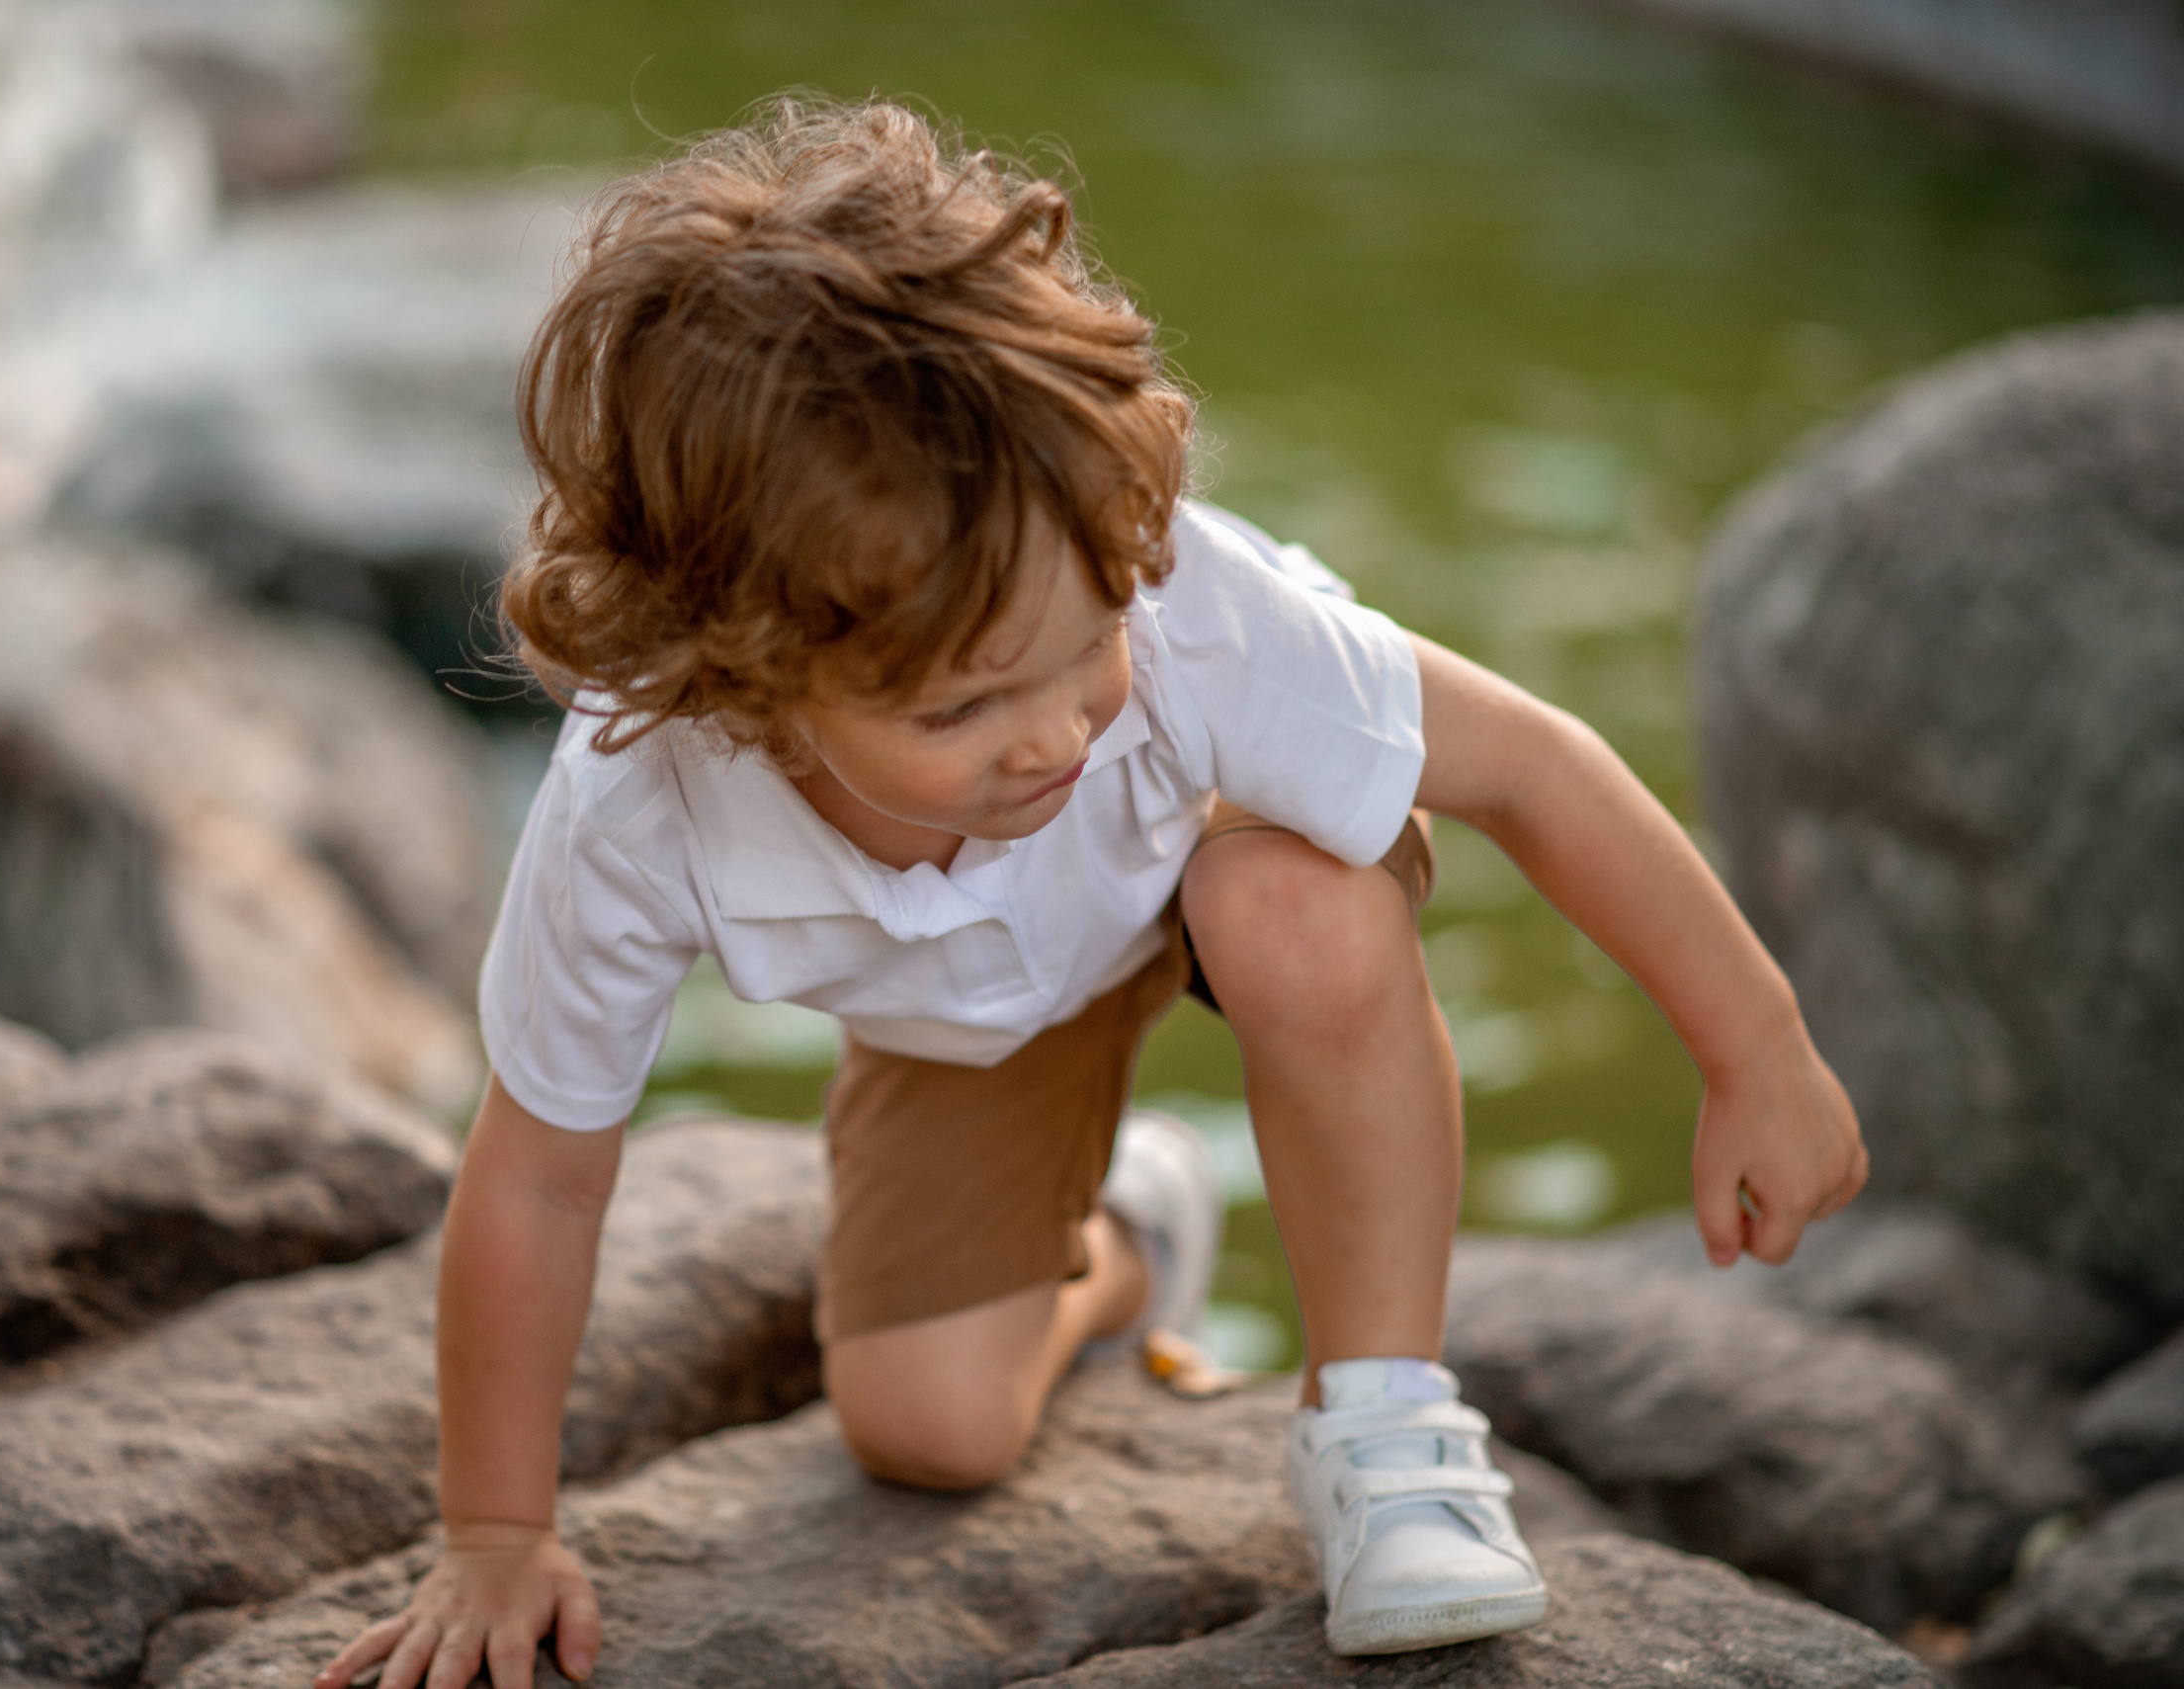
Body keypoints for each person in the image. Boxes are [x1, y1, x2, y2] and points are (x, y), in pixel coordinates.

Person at [314, 98, 1868, 1689]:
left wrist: (1757, 1048)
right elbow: (541, 1174)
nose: (1059, 730)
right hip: (972, 1017)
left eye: (1084, 647)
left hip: (1217, 869)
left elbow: (1534, 769)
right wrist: (498, 1531)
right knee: (926, 1425)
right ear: (745, 684)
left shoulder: (1191, 611)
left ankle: (1386, 1421)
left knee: (1297, 908)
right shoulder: (639, 793)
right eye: (961, 709)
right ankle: (1133, 1219)